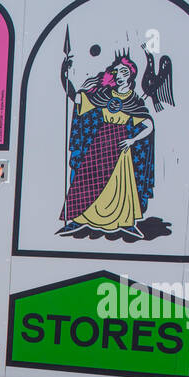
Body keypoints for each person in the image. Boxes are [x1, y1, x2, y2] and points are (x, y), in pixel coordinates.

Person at [58, 52, 155, 239]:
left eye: (124, 71)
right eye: (117, 71)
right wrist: (64, 73)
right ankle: (81, 217)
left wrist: (133, 140)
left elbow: (148, 125)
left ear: (131, 75)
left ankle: (125, 222)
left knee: (120, 186)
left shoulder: (135, 101)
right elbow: (78, 100)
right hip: (100, 144)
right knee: (89, 181)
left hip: (120, 147)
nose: (119, 75)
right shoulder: (104, 95)